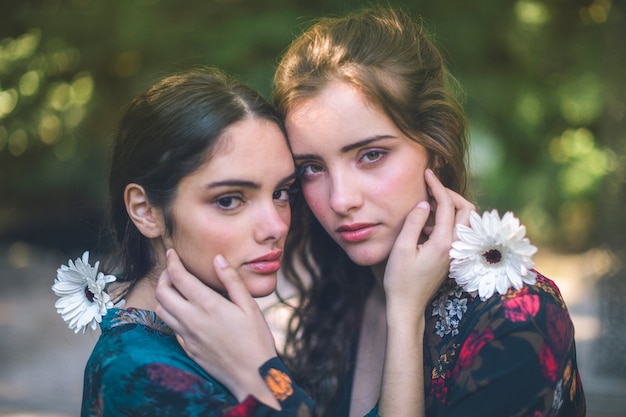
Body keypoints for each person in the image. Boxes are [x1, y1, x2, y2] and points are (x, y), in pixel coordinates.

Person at [155, 8, 586, 417]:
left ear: (436, 146)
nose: (341, 200)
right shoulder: (341, 292)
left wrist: (261, 375)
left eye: (371, 155)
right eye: (312, 168)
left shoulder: (515, 316)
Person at [78, 68, 315, 416]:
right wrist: (263, 371)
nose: (276, 225)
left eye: (281, 192)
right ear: (146, 211)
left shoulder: (207, 339)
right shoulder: (140, 376)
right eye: (229, 199)